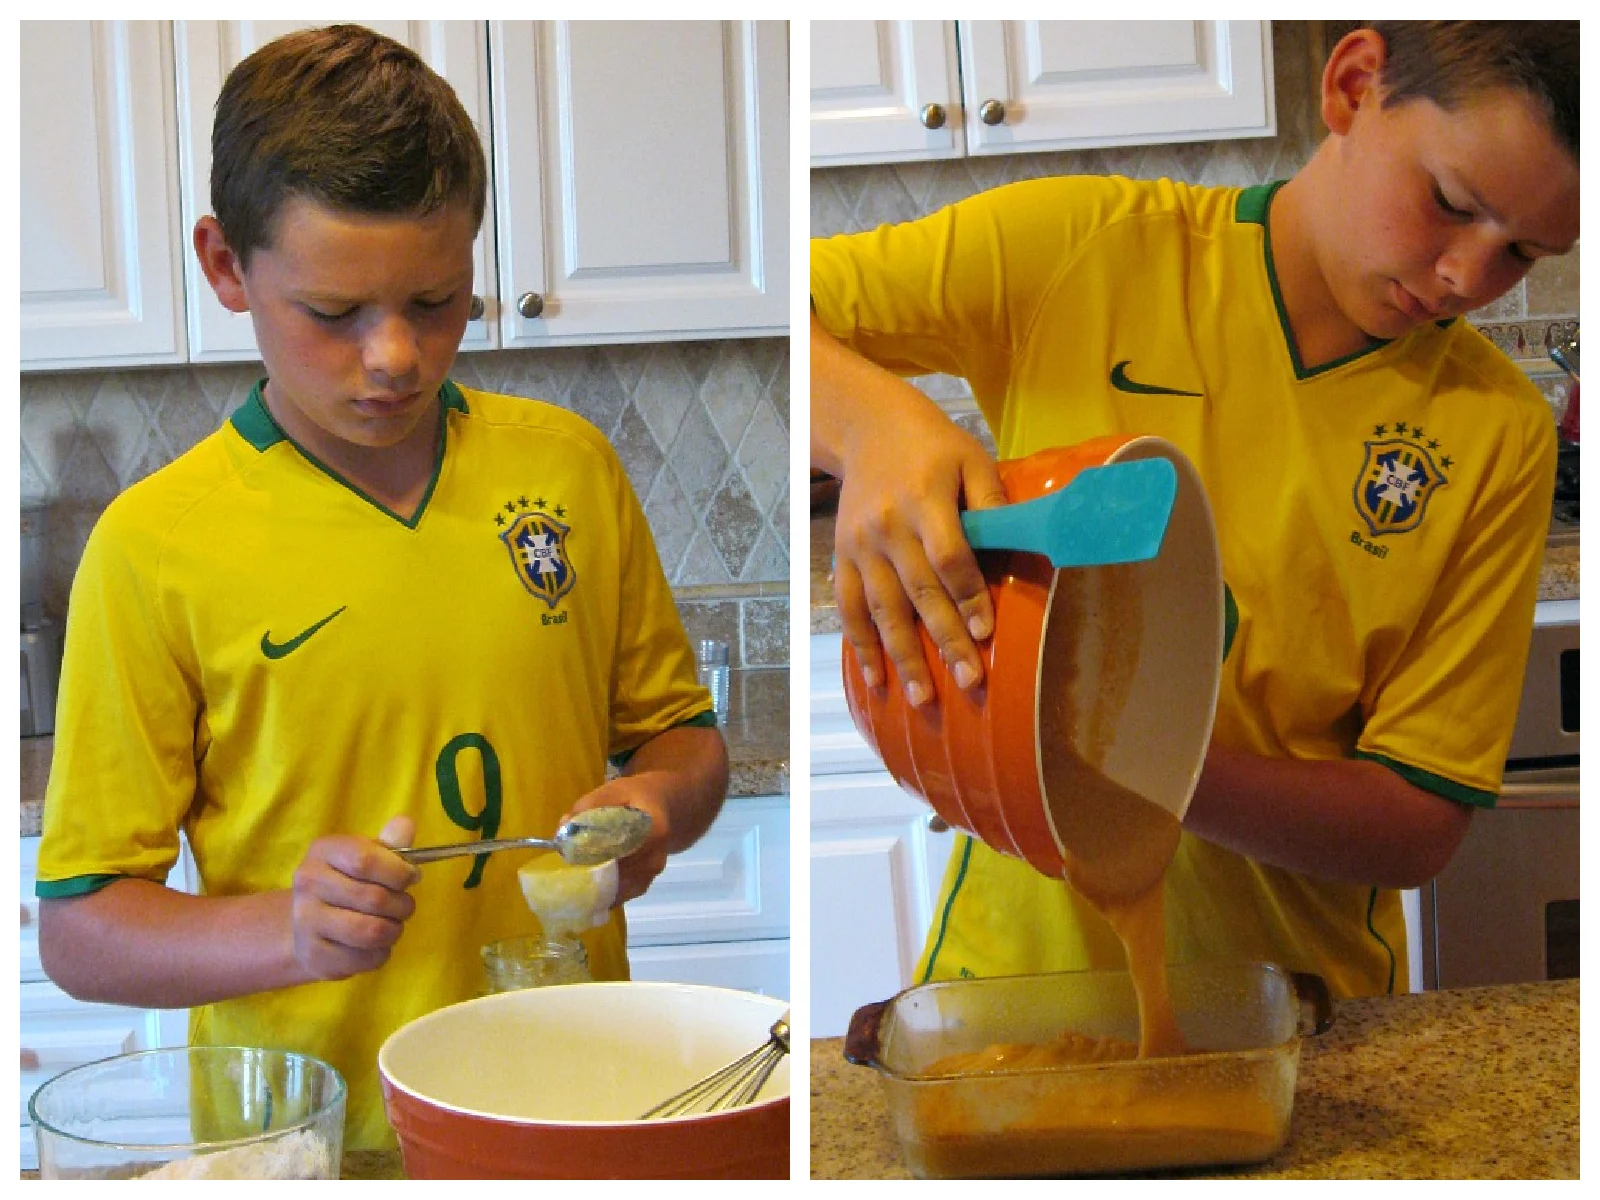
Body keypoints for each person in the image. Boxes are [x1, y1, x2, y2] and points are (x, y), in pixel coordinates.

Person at [35, 25, 727, 1151]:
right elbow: (80, 932)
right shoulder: (153, 547)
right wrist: (289, 932)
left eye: (436, 301)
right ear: (225, 266)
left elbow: (683, 745)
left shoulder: (567, 471)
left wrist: (652, 810)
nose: (395, 356)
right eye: (334, 313)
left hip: (575, 1107)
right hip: (320, 1145)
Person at [811, 21, 1577, 999]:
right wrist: (875, 427)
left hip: (1301, 1006)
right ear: (1351, 87)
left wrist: (1118, 765)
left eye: (1522, 252)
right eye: (1450, 203)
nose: (1468, 279)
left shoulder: (1498, 432)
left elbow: (1417, 818)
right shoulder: (1078, 249)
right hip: (1005, 987)